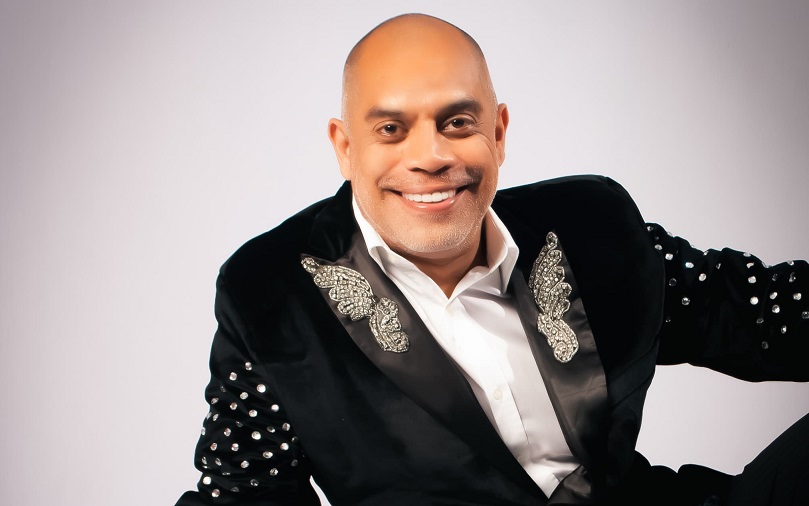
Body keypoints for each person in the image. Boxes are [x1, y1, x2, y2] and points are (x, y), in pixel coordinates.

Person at [175, 14, 808, 506]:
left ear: (498, 133)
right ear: (344, 147)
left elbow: (766, 313)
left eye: (456, 122)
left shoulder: (592, 226)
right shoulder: (271, 297)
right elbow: (243, 496)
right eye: (391, 129)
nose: (430, 157)